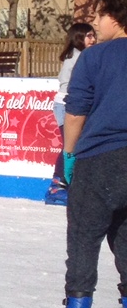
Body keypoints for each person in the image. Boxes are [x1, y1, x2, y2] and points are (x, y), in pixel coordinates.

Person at [34, 0, 127, 308]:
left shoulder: (95, 57)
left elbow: (75, 113)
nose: (94, 22)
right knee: (125, 236)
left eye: (99, 14)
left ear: (115, 16)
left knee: (84, 238)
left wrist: (69, 157)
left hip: (99, 159)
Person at [47, 21, 97, 206]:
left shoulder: (82, 56)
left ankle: (72, 184)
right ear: (78, 38)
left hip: (73, 105)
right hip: (68, 105)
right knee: (70, 145)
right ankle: (56, 186)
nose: (93, 39)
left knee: (76, 145)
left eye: (93, 35)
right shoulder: (77, 58)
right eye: (89, 36)